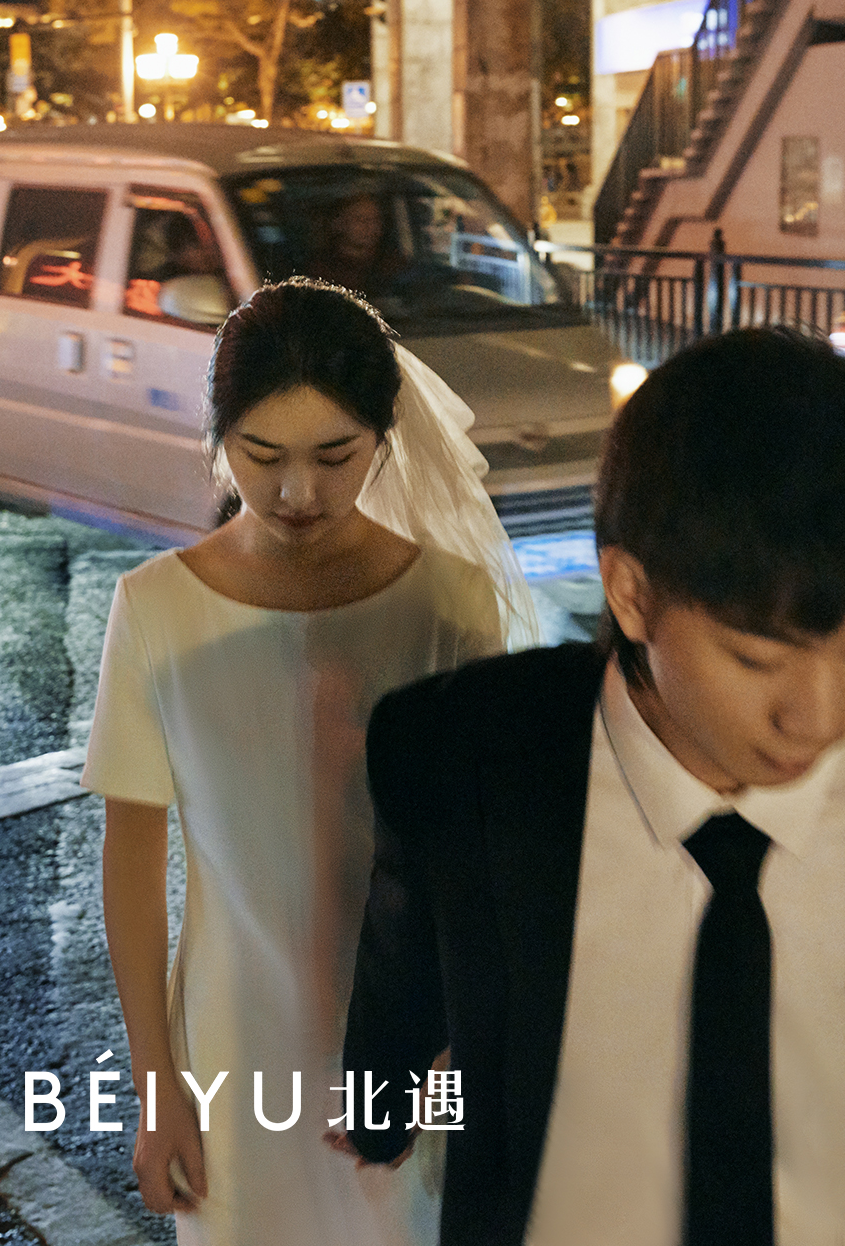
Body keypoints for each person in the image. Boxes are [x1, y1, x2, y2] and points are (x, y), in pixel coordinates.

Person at [344, 326, 845, 1246]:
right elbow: (402, 970)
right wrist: (377, 1107)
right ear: (631, 593)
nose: (815, 717)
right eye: (758, 658)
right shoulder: (460, 753)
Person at [81, 279, 533, 1246]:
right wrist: (156, 1087)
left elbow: (482, 862)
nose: (299, 493)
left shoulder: (449, 604)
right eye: (263, 456)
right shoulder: (157, 609)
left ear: (384, 437)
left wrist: (451, 1061)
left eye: (336, 456)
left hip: (413, 1052)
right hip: (232, 1056)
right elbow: (132, 864)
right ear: (219, 439)